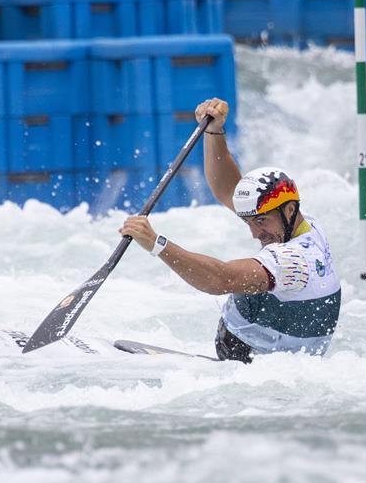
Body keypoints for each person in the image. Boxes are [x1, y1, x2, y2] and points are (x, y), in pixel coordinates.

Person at [118, 98, 341, 362]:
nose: (255, 234)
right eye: (249, 222)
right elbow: (228, 192)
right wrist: (214, 132)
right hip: (287, 360)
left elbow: (220, 279)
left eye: (260, 222)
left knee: (242, 279)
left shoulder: (292, 262)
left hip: (250, 359)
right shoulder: (307, 226)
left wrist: (156, 243)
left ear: (290, 210)